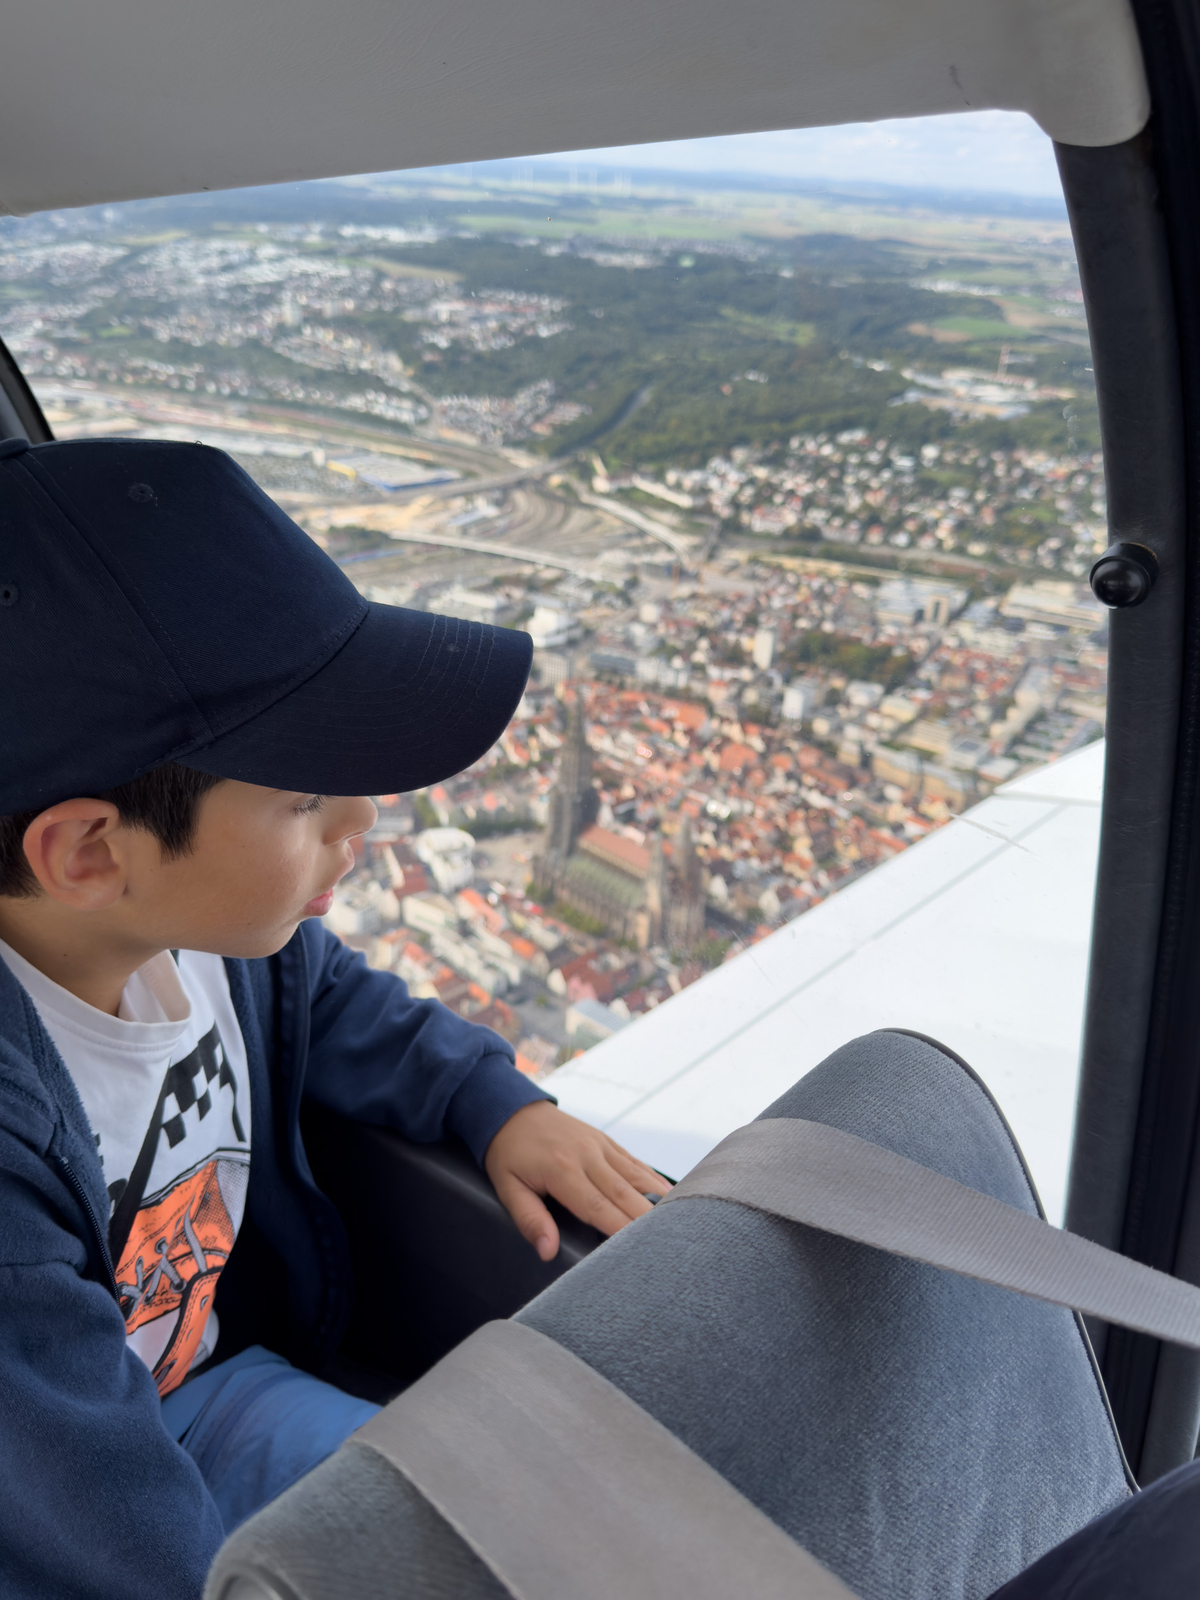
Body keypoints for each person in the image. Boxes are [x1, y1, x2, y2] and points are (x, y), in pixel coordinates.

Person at [0, 434, 670, 1600]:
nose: (363, 818)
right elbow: (97, 1523)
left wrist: (489, 1101)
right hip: (68, 1500)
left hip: (205, 1396)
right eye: (307, 794)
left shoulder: (205, 943)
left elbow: (328, 993)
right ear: (90, 853)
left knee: (546, 1524)